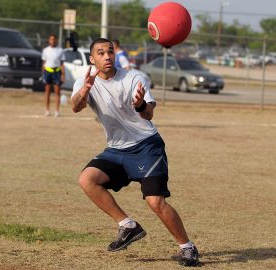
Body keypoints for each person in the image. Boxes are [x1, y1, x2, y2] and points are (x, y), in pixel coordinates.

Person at [71, 38, 199, 267]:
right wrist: (84, 90)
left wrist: (140, 105)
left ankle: (187, 247)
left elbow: (149, 113)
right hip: (116, 149)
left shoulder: (133, 77)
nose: (107, 56)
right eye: (100, 53)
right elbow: (75, 106)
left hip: (146, 146)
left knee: (155, 202)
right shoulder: (85, 81)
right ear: (92, 59)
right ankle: (128, 225)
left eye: (110, 51)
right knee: (87, 179)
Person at [41, 34, 65, 117]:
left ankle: (57, 111)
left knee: (57, 92)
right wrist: (43, 73)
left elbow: (62, 63)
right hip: (48, 71)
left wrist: (63, 74)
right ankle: (47, 110)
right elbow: (44, 63)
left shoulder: (60, 50)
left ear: (56, 40)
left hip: (57, 72)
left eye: (54, 39)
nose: (53, 41)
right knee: (47, 92)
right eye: (51, 39)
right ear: (49, 40)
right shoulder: (45, 50)